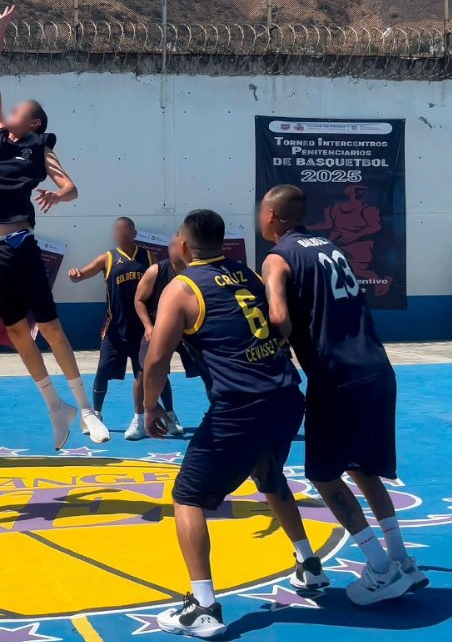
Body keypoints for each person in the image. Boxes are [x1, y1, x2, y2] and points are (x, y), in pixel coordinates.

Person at [143, 210, 323, 639]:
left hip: (240, 408)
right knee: (268, 473)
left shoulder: (182, 288)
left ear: (184, 247)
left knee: (186, 496)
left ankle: (202, 605)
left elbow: (156, 360)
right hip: (285, 395)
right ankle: (308, 564)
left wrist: (149, 408)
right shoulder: (244, 274)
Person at [261, 184, 423, 605]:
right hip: (376, 368)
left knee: (323, 475)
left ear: (273, 216)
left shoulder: (278, 257)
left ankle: (379, 567)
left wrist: (267, 350)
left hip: (337, 375)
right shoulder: (330, 247)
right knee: (361, 468)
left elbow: (277, 316)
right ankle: (402, 559)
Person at [0, 5, 110, 448]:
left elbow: (71, 187)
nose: (8, 111)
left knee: (49, 327)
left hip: (18, 244)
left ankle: (86, 407)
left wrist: (56, 194)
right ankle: (56, 405)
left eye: (19, 110)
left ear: (33, 122)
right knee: (14, 333)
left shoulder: (38, 149)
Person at [69, 217, 180, 441]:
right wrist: (76, 274)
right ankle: (96, 415)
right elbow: (83, 274)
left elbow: (164, 281)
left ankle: (169, 413)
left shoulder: (148, 257)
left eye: (124, 229)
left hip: (143, 328)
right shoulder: (108, 258)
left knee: (153, 373)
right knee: (103, 372)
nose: (119, 233)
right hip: (115, 328)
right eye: (116, 230)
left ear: (133, 232)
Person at [134, 229, 206, 393]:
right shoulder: (155, 271)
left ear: (185, 248)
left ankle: (218, 407)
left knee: (207, 369)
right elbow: (138, 300)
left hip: (187, 331)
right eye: (170, 246)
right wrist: (148, 326)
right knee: (145, 372)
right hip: (158, 329)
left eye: (176, 246)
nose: (172, 249)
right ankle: (141, 415)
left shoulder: (196, 273)